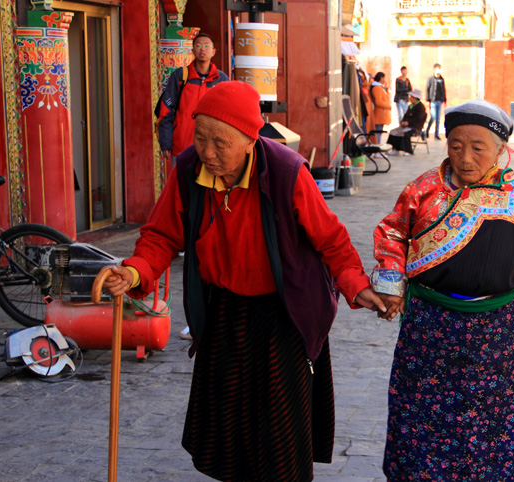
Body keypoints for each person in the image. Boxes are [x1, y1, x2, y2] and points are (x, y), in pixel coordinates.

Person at [101, 81, 387, 482]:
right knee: (228, 427)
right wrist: (134, 272)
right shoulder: (188, 169)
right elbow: (162, 235)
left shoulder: (286, 172)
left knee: (280, 430)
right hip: (224, 311)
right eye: (201, 139)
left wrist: (358, 285)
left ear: (251, 140)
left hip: (283, 312)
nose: (208, 153)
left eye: (221, 143)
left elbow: (330, 237)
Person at [371, 100, 514, 481]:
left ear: (501, 150)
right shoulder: (422, 190)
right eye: (456, 145)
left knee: (493, 418)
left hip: (496, 333)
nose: (465, 157)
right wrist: (391, 286)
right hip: (429, 328)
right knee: (423, 415)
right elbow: (393, 235)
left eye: (478, 147)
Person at [157, 33, 229, 163]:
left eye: (206, 46)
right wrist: (166, 142)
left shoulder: (221, 80)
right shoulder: (181, 76)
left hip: (211, 148)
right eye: (198, 46)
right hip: (182, 145)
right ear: (192, 50)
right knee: (182, 182)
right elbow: (166, 110)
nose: (202, 49)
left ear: (213, 52)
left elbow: (228, 114)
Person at [385, 89, 427, 156]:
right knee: (394, 132)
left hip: (415, 126)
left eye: (412, 97)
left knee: (405, 133)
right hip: (407, 125)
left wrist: (409, 123)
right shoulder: (410, 106)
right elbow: (405, 116)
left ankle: (408, 150)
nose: (410, 98)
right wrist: (403, 122)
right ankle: (395, 148)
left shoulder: (420, 107)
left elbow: (419, 118)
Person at [424, 63, 446, 139]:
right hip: (432, 101)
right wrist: (427, 100)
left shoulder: (441, 79)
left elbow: (443, 90)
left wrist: (444, 99)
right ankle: (427, 130)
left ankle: (436, 134)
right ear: (434, 69)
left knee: (438, 118)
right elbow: (427, 89)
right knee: (433, 117)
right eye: (438, 69)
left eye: (440, 69)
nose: (439, 70)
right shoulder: (431, 79)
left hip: (439, 101)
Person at [370, 71, 392, 144]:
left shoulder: (380, 87)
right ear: (381, 78)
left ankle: (377, 147)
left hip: (381, 114)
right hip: (379, 114)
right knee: (378, 132)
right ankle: (377, 148)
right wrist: (388, 106)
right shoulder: (377, 88)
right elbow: (378, 102)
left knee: (379, 132)